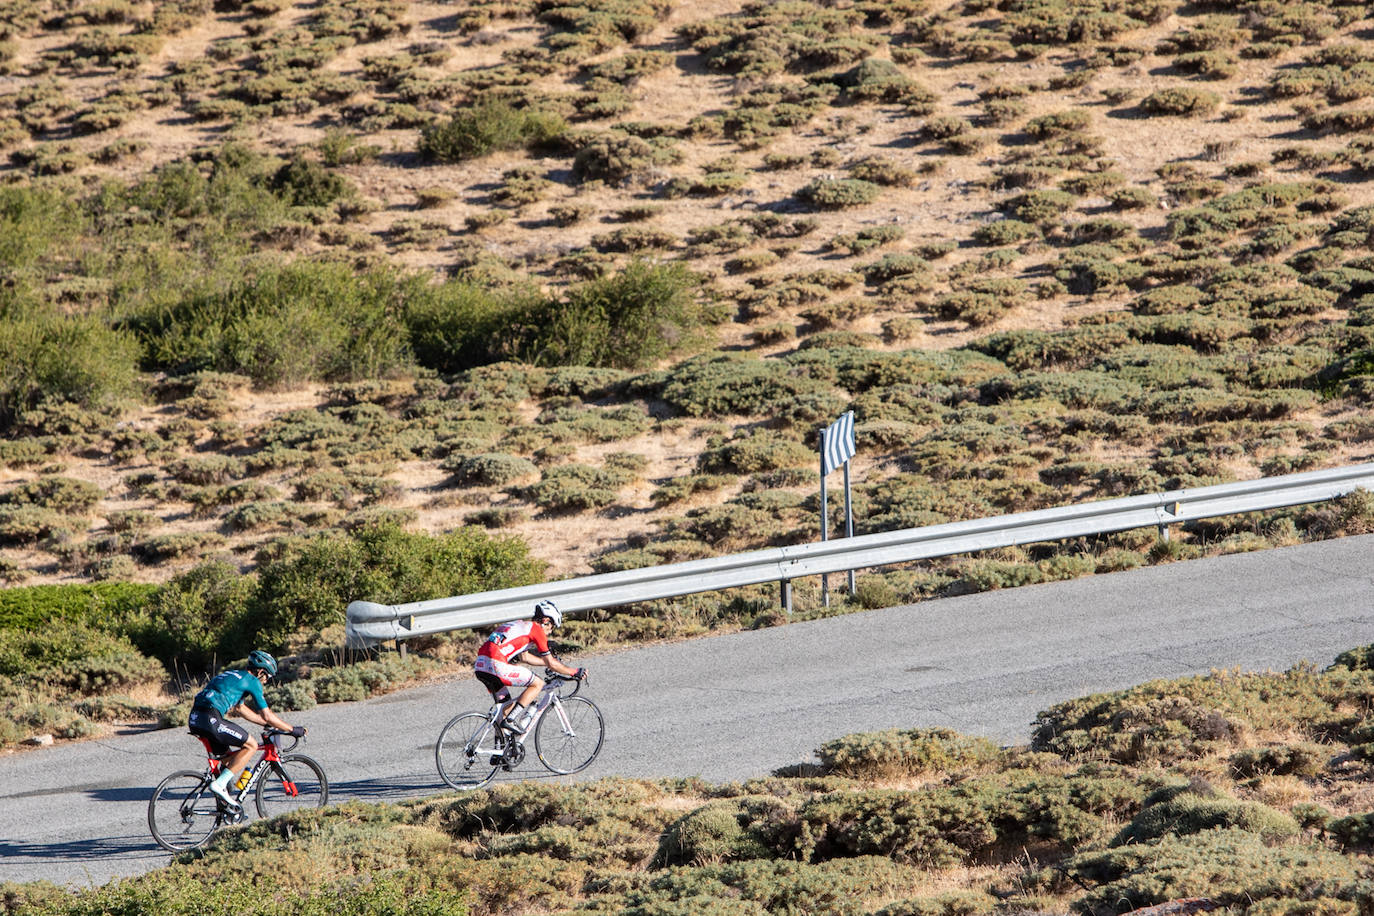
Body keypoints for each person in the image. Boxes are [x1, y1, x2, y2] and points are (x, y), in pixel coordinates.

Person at [187, 650, 305, 807]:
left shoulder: (233, 675)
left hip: (195, 718)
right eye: (267, 677)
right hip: (211, 718)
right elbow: (267, 715)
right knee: (251, 745)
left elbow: (240, 709)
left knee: (229, 758)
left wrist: (266, 725)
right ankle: (219, 785)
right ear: (261, 671)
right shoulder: (252, 681)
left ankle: (225, 807)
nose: (265, 681)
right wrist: (291, 729)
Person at [473, 600, 587, 737]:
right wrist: (574, 671)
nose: (550, 632)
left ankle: (499, 752)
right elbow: (551, 663)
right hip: (496, 664)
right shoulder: (536, 630)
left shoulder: (519, 625)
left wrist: (547, 663)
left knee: (505, 707)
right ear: (545, 620)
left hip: (480, 665)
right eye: (551, 627)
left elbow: (524, 657)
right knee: (538, 683)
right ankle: (511, 720)